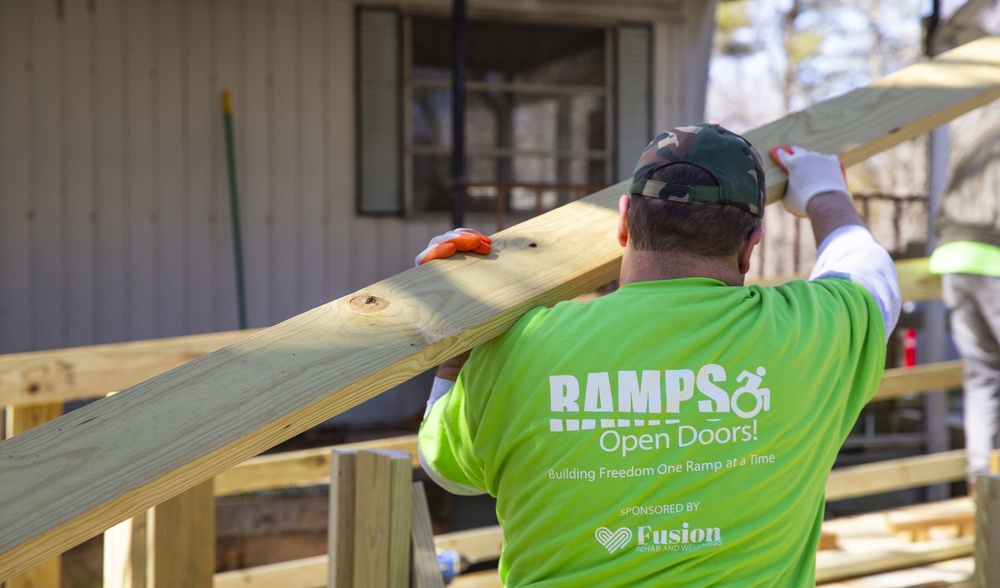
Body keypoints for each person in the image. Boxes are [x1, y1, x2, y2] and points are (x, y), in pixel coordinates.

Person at [416, 123, 901, 586]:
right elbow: (868, 270)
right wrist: (823, 192)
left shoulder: (521, 346)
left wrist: (461, 330)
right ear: (750, 247)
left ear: (624, 221)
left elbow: (447, 470)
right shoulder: (810, 334)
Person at [928, 130, 1000, 491]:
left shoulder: (980, 142)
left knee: (982, 376)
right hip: (994, 260)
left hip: (956, 260)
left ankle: (981, 481)